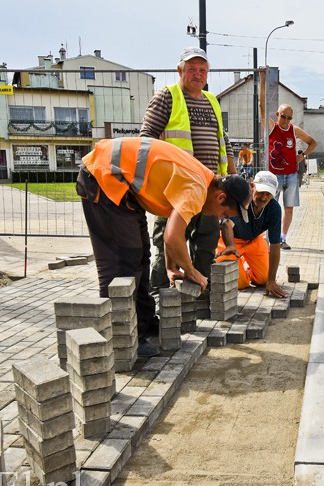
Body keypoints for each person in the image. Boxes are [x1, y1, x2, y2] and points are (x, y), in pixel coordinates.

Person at [77, 137, 251, 355]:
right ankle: (121, 337)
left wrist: (171, 268)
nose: (219, 217)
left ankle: (143, 321)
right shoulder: (197, 189)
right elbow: (172, 237)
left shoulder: (203, 181)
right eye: (224, 213)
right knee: (122, 262)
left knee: (140, 255)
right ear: (221, 196)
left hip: (121, 185)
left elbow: (172, 230)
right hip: (103, 177)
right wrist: (191, 271)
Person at [140, 47, 237, 291]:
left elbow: (223, 141)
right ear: (180, 71)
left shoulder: (212, 100)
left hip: (210, 190)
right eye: (191, 69)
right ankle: (159, 297)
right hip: (176, 189)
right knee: (169, 244)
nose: (197, 74)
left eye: (202, 70)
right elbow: (146, 139)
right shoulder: (168, 96)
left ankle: (200, 295)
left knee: (205, 244)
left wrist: (232, 176)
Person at [215, 171, 288, 298]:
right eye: (261, 192)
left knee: (264, 279)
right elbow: (227, 224)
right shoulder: (241, 199)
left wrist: (271, 280)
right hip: (230, 241)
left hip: (254, 241)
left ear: (275, 193)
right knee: (239, 283)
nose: (264, 198)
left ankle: (247, 266)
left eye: (268, 194)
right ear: (252, 186)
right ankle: (237, 262)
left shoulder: (274, 209)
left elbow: (275, 244)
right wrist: (231, 247)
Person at [268, 104, 317, 250]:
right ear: (278, 114)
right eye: (283, 116)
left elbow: (313, 142)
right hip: (274, 175)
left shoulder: (294, 130)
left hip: (290, 174)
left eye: (289, 117)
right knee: (271, 207)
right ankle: (271, 239)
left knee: (289, 208)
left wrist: (303, 155)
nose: (286, 120)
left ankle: (282, 238)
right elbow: (262, 110)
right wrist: (263, 84)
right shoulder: (273, 127)